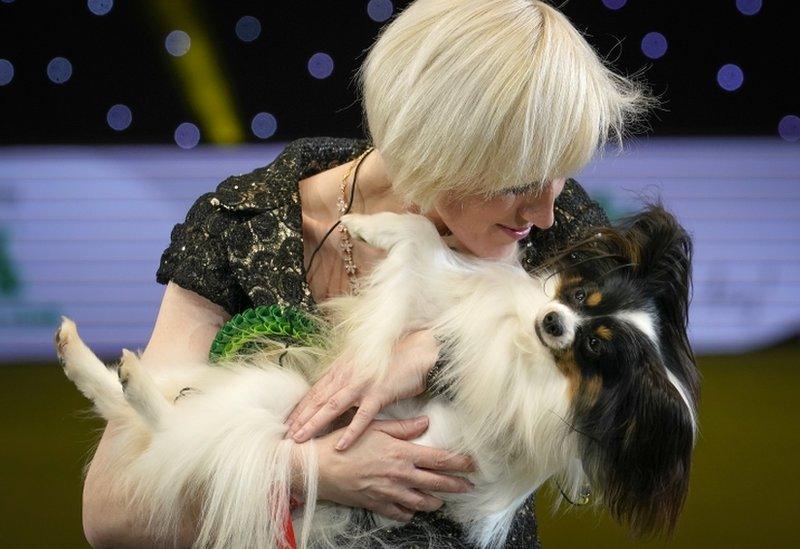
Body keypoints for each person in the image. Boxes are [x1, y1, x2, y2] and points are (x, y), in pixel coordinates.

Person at [80, 0, 655, 546]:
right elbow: (111, 513)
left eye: (560, 174)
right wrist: (305, 472)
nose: (544, 212)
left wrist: (439, 351)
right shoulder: (241, 228)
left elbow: (645, 415)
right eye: (514, 184)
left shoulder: (562, 233)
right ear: (431, 146)